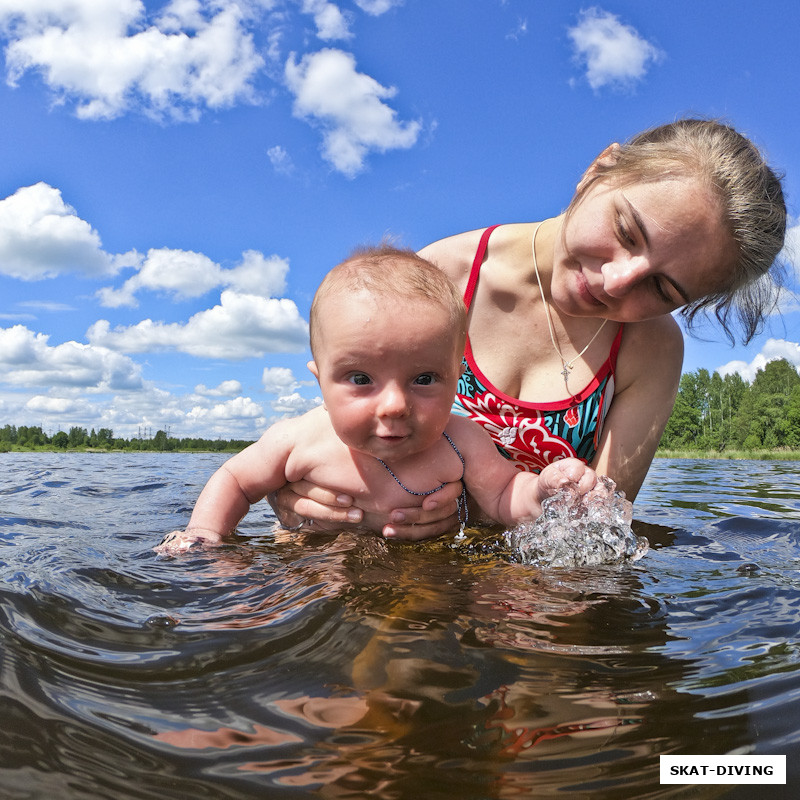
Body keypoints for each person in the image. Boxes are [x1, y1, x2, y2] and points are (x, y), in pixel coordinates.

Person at [271, 118, 787, 540]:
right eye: (626, 230)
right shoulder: (441, 279)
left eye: (663, 290)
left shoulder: (649, 348)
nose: (615, 281)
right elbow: (338, 432)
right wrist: (300, 498)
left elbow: (595, 528)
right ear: (599, 169)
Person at [156, 246, 597, 554]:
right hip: (312, 563)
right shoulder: (300, 439)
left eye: (424, 378)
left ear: (456, 378)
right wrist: (204, 534)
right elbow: (235, 480)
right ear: (321, 381)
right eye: (360, 378)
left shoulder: (462, 440)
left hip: (423, 567)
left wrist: (541, 490)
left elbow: (504, 495)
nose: (394, 405)